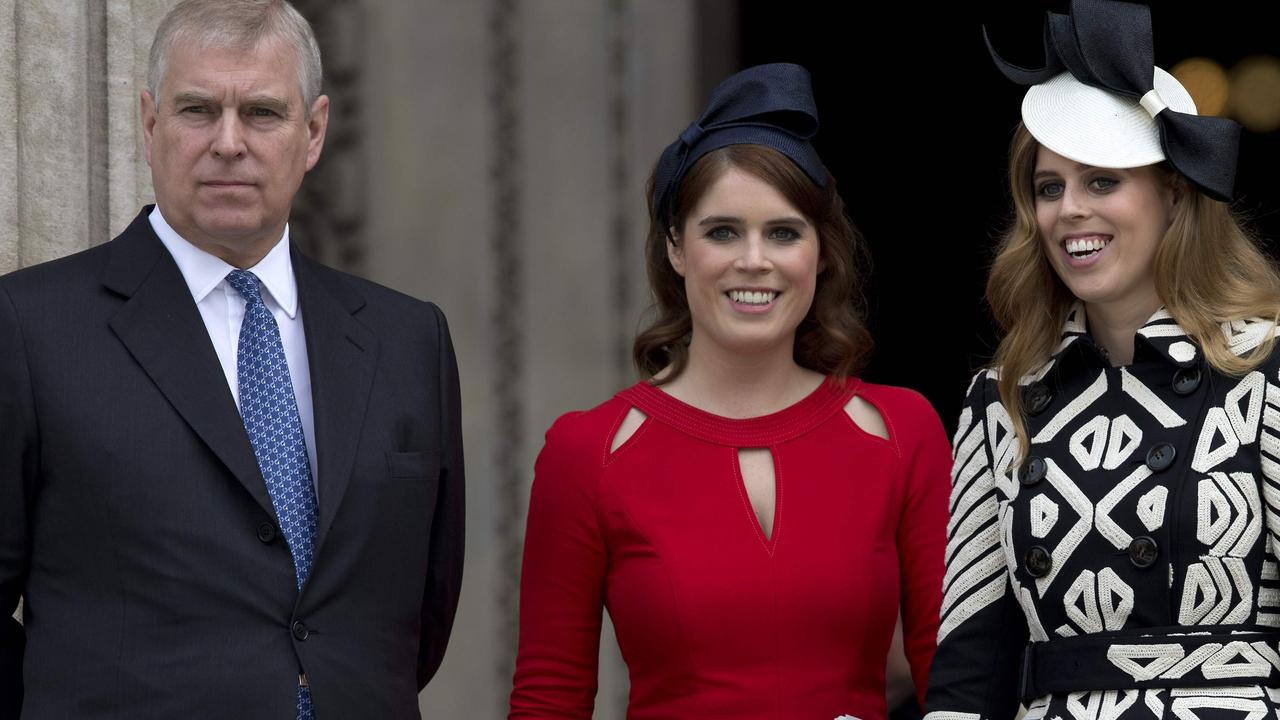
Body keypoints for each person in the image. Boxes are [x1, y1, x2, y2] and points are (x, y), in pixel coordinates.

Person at [0, 1, 463, 718]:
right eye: (197, 110)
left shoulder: (410, 340)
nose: (228, 142)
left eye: (262, 114)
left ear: (313, 133)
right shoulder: (29, 327)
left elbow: (417, 615)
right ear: (149, 125)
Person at [508, 62, 950, 719]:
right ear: (677, 249)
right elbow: (548, 700)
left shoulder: (901, 431)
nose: (754, 260)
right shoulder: (587, 451)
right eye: (722, 231)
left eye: (783, 232)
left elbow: (957, 681)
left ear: (820, 252)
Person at [925, 0, 1280, 716]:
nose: (1069, 210)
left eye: (1102, 182)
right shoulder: (1000, 399)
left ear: (1174, 196)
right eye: (1049, 188)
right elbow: (971, 666)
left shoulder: (1266, 371)